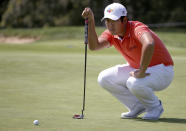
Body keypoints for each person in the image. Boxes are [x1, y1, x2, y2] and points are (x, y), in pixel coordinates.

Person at [81, 3, 174, 120]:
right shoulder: (111, 34)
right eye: (107, 21)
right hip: (139, 68)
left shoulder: (136, 28)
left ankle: (155, 107)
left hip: (163, 70)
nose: (110, 25)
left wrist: (141, 71)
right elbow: (94, 46)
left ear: (124, 20)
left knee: (133, 82)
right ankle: (137, 106)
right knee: (104, 78)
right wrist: (91, 21)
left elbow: (149, 43)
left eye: (113, 21)